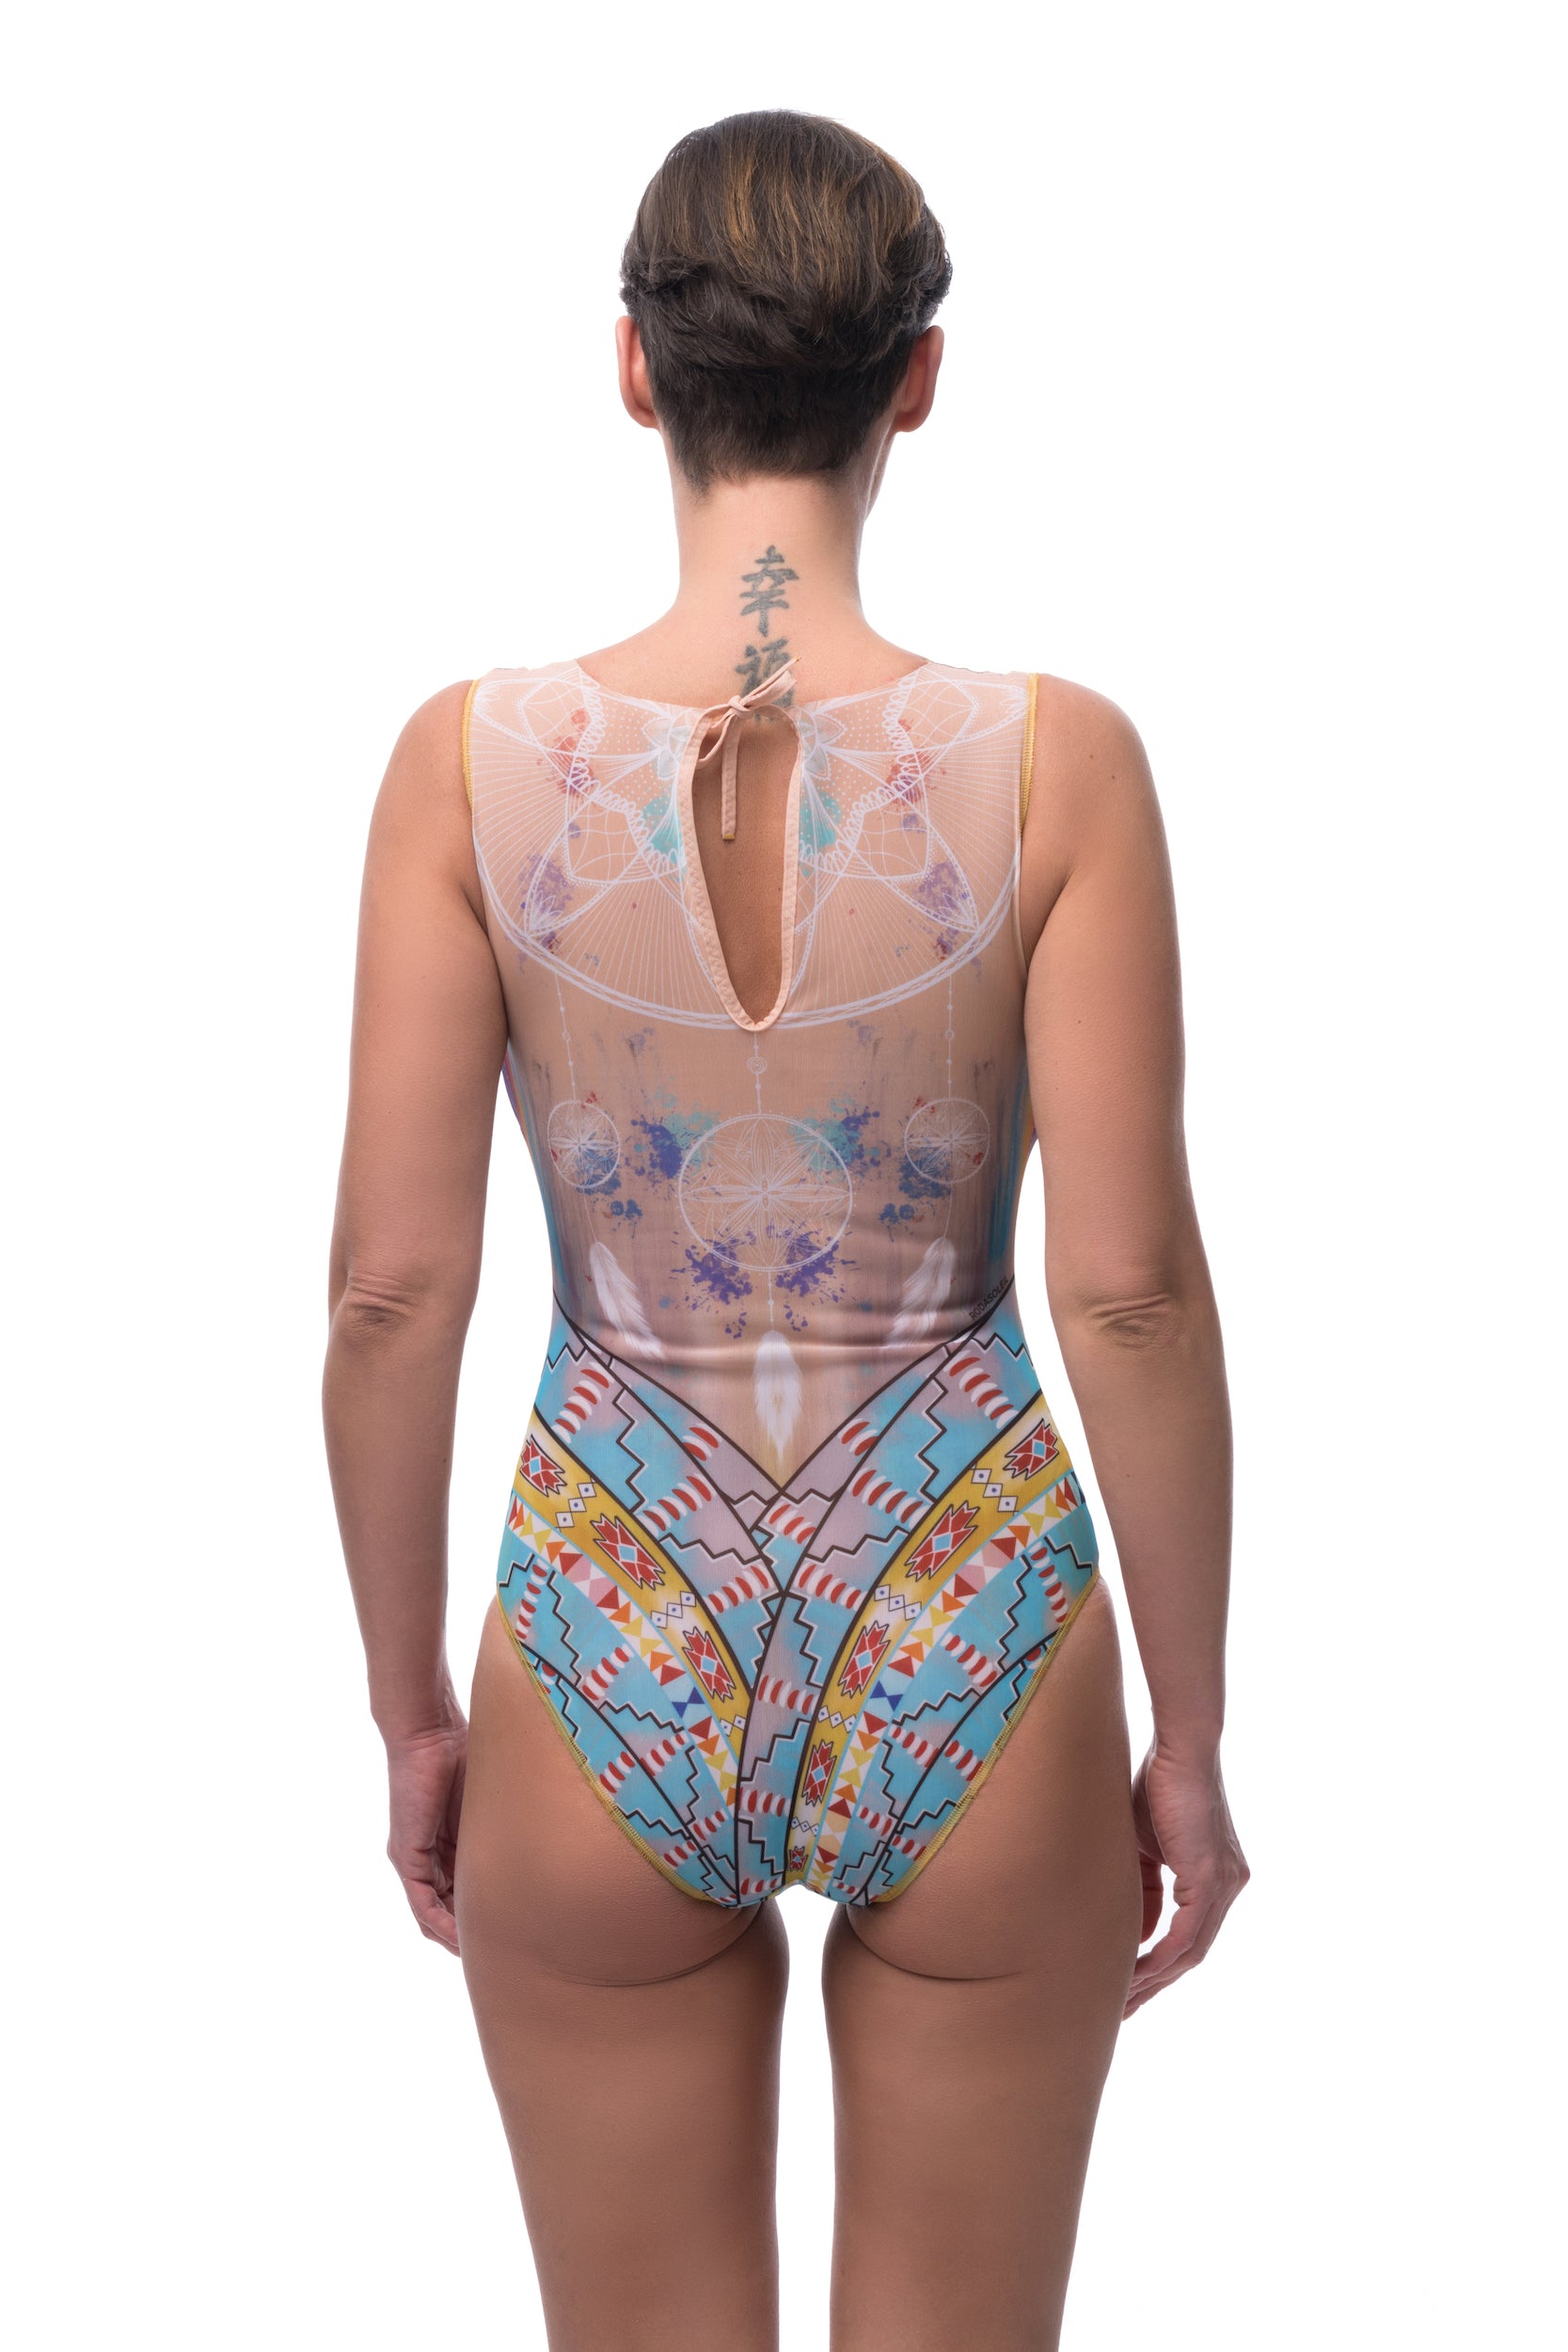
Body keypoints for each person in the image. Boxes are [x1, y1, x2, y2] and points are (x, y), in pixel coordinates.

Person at [324, 108, 1248, 2352]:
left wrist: (412, 1709)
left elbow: (392, 1291)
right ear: (916, 379)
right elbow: (1128, 1290)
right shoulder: (1056, 762)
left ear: (636, 367)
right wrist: (1191, 1736)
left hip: (607, 1611)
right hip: (974, 1603)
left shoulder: (470, 763)